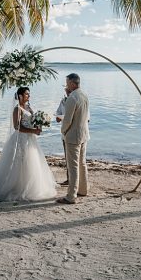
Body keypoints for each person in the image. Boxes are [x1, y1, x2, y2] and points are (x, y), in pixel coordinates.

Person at [57, 72, 90, 204]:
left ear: (71, 83)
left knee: (73, 166)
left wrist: (63, 131)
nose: (66, 85)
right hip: (84, 134)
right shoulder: (84, 95)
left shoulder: (72, 98)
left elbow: (67, 120)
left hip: (73, 136)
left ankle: (71, 196)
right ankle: (83, 189)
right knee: (82, 163)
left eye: (67, 82)